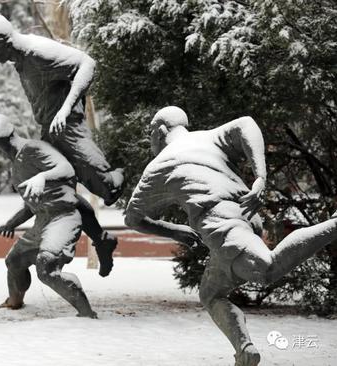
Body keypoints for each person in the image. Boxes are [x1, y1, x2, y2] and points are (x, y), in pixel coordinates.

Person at [124, 106, 337, 366]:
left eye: (150, 135)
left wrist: (174, 231)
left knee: (267, 269)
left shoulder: (159, 166)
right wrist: (260, 177)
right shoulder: (208, 137)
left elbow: (132, 218)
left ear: (159, 131)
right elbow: (246, 124)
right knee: (211, 295)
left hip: (222, 223)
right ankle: (244, 349)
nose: (151, 142)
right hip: (245, 215)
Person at [0, 9, 120, 275]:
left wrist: (66, 109)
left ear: (1, 42)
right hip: (49, 131)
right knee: (65, 194)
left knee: (110, 190)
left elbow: (87, 64)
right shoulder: (21, 61)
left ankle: (129, 166)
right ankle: (102, 239)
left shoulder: (37, 53)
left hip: (68, 129)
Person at [0, 114, 99, 318]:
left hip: (64, 216)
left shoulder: (32, 149)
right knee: (14, 261)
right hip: (43, 220)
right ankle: (14, 301)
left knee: (46, 269)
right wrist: (11, 223)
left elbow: (66, 169)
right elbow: (32, 205)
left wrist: (42, 177)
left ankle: (86, 313)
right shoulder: (16, 167)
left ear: (9, 135)